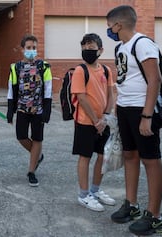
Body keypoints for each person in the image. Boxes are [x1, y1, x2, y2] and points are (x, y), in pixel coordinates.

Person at [106, 5, 162, 235]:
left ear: (118, 25)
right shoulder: (122, 47)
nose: (109, 30)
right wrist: (116, 109)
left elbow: (155, 79)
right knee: (130, 155)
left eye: (110, 26)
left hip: (142, 108)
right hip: (125, 108)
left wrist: (147, 116)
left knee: (151, 160)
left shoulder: (143, 44)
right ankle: (131, 205)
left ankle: (155, 216)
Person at [71, 33, 115, 212]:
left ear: (101, 50)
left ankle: (95, 190)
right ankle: (83, 195)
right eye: (84, 47)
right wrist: (96, 121)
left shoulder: (106, 70)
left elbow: (111, 93)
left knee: (102, 156)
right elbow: (81, 97)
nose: (87, 51)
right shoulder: (81, 70)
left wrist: (105, 117)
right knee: (85, 157)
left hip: (102, 122)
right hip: (85, 122)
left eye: (91, 47)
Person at [6, 34, 53, 187]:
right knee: (21, 137)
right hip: (22, 108)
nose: (32, 50)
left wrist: (47, 111)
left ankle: (31, 172)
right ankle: (37, 155)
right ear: (22, 49)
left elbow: (48, 89)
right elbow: (11, 90)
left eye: (34, 48)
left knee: (38, 138)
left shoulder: (44, 66)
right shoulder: (15, 67)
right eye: (28, 48)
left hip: (38, 110)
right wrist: (10, 110)